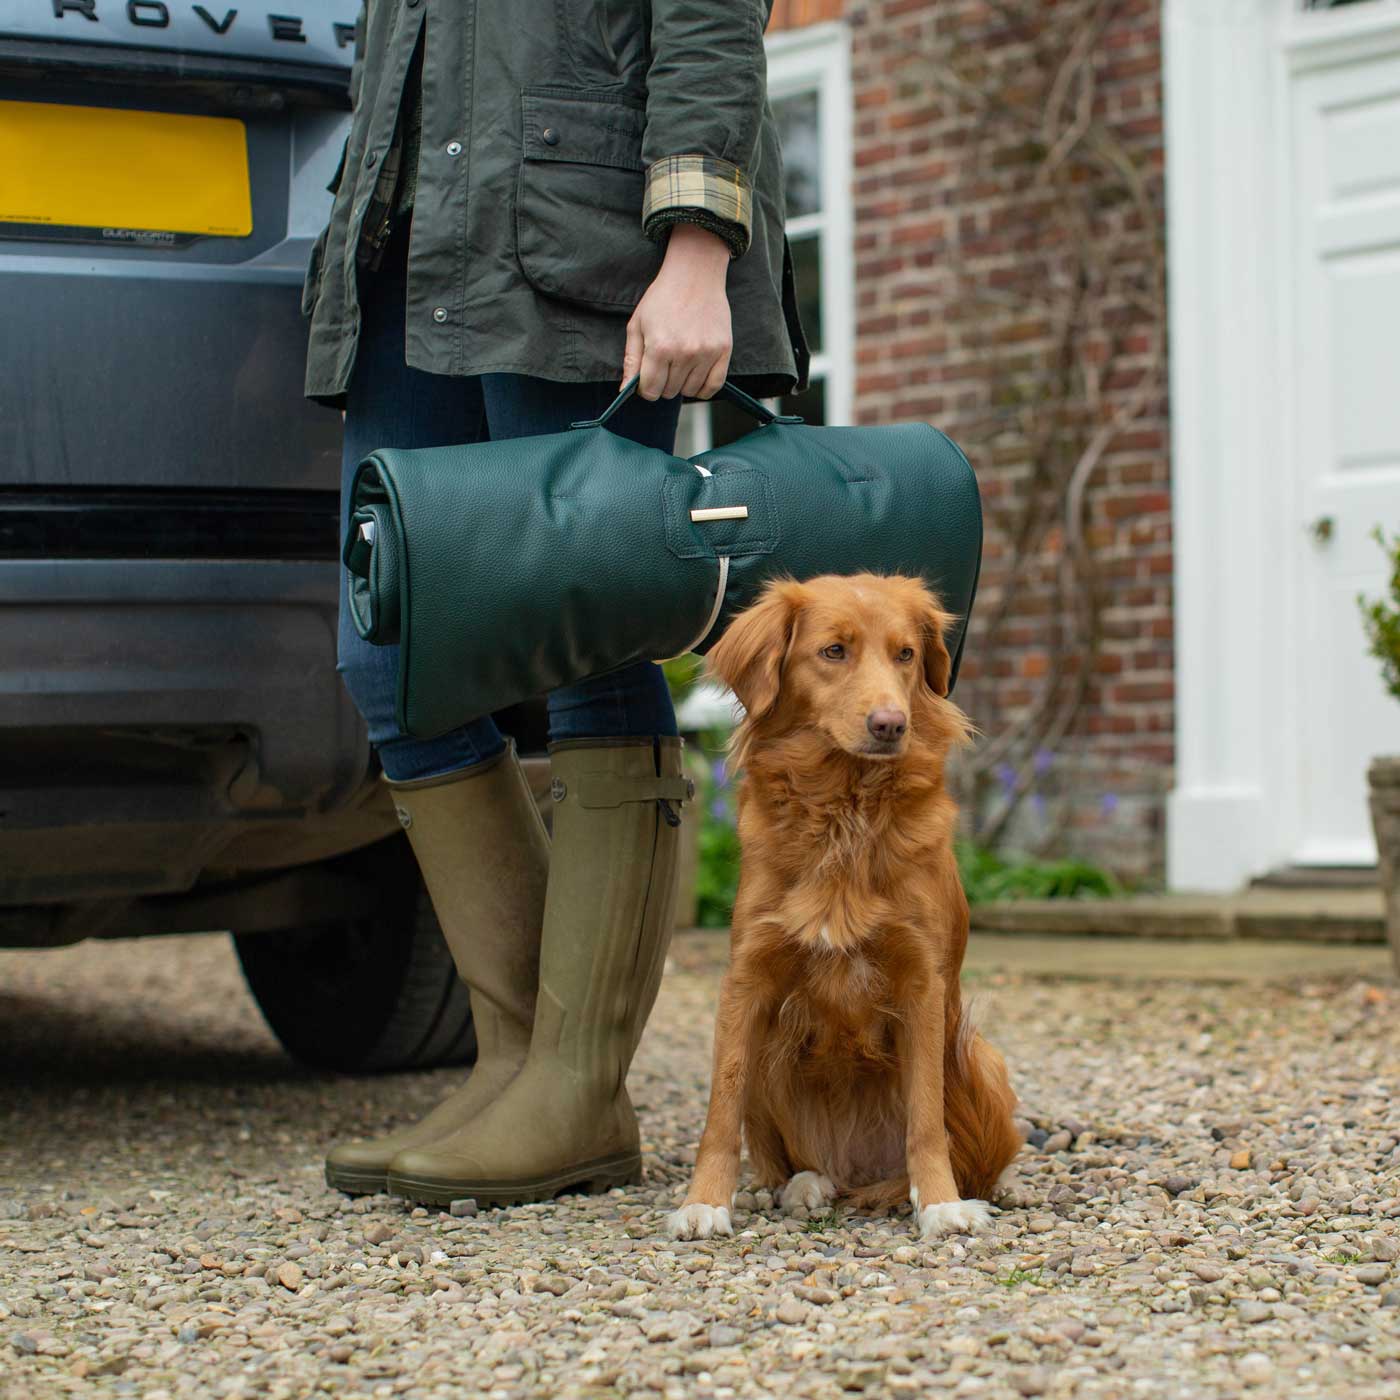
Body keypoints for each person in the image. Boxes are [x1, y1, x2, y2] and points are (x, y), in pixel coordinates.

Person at [301, 0, 808, 1207]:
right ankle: (515, 1060)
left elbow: (706, 17)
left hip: (576, 238)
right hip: (407, 253)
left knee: (591, 635)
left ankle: (574, 1088)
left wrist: (698, 245)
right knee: (390, 652)